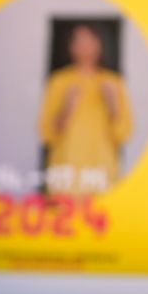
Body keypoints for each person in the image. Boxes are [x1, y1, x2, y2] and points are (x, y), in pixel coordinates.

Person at [36, 23, 133, 194]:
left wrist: (112, 104)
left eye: (90, 41)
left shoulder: (113, 82)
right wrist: (66, 108)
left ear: (99, 45)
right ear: (71, 47)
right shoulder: (59, 81)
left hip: (102, 171)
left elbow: (123, 134)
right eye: (79, 42)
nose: (85, 47)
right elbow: (46, 134)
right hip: (66, 170)